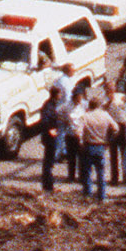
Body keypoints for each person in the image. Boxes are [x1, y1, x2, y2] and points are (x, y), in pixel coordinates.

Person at [76, 82, 114, 200]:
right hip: (101, 146)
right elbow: (116, 128)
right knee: (101, 173)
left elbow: (78, 132)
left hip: (88, 146)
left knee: (87, 172)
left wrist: (81, 143)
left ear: (89, 106)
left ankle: (88, 194)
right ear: (99, 106)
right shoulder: (105, 115)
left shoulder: (85, 116)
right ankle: (102, 196)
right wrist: (108, 140)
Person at [39, 65, 74, 193]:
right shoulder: (49, 107)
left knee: (49, 162)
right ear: (56, 95)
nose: (61, 96)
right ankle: (47, 185)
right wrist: (53, 133)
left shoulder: (50, 105)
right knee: (48, 162)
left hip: (50, 137)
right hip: (50, 138)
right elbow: (45, 123)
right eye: (60, 94)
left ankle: (49, 184)